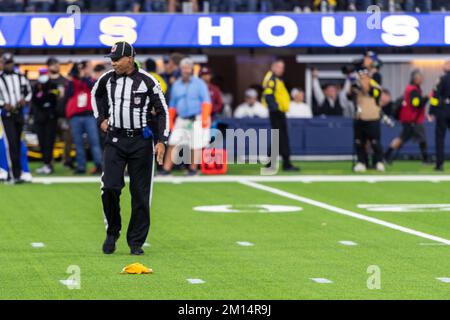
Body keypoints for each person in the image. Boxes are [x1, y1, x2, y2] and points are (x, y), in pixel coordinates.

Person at [92, 41, 168, 255]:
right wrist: (100, 119)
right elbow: (94, 95)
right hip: (115, 139)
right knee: (109, 188)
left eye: (117, 59)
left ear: (130, 58)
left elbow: (163, 111)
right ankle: (112, 230)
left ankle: (136, 242)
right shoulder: (106, 79)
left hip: (141, 142)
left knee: (141, 194)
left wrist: (161, 140)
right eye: (111, 59)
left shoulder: (148, 81)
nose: (113, 63)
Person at [162, 57, 212, 175]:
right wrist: (170, 121)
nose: (186, 70)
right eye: (183, 68)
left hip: (196, 117)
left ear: (192, 69)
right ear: (180, 69)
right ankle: (166, 169)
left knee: (196, 144)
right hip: (181, 118)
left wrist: (205, 118)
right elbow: (172, 104)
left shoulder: (199, 83)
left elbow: (206, 101)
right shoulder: (176, 85)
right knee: (172, 143)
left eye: (188, 68)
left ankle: (193, 169)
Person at [385, 70, 431, 164]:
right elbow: (416, 104)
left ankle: (386, 156)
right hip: (413, 119)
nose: (422, 79)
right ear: (415, 79)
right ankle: (426, 159)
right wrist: (427, 98)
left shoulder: (411, 89)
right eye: (420, 78)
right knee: (422, 138)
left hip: (409, 119)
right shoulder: (413, 90)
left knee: (402, 139)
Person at [66, 61, 103, 175]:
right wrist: (76, 77)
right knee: (78, 143)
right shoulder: (72, 82)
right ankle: (81, 166)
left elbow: (94, 89)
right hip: (75, 116)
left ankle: (99, 165)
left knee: (94, 142)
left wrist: (84, 77)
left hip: (89, 115)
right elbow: (69, 93)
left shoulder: (92, 80)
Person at [262, 59, 299, 171]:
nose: (281, 70)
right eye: (279, 67)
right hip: (276, 112)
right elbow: (268, 95)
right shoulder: (271, 79)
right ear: (273, 67)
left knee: (278, 137)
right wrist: (276, 108)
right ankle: (285, 164)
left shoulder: (276, 79)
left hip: (279, 112)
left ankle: (271, 163)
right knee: (281, 137)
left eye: (282, 67)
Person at [0, 52, 32, 183]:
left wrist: (24, 100)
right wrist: (3, 104)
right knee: (10, 143)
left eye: (10, 62)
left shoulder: (20, 77)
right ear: (2, 64)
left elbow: (28, 91)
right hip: (6, 115)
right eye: (6, 63)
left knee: (18, 144)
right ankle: (12, 174)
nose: (9, 65)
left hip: (19, 113)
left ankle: (19, 173)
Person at [349, 68, 385, 172]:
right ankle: (362, 162)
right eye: (361, 77)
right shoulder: (356, 86)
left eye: (364, 77)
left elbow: (368, 91)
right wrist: (351, 81)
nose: (361, 79)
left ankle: (379, 161)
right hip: (360, 117)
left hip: (372, 117)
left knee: (374, 142)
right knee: (360, 142)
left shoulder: (375, 87)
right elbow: (350, 95)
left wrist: (365, 82)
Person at [31, 69, 60, 175]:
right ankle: (45, 163)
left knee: (49, 142)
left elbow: (53, 98)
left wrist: (45, 97)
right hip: (39, 118)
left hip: (51, 118)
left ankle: (48, 164)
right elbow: (35, 100)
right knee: (42, 142)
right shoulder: (36, 86)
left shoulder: (53, 85)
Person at [429, 60, 450, 171]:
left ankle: (439, 164)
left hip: (443, 110)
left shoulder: (441, 79)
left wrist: (431, 112)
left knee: (440, 138)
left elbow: (435, 96)